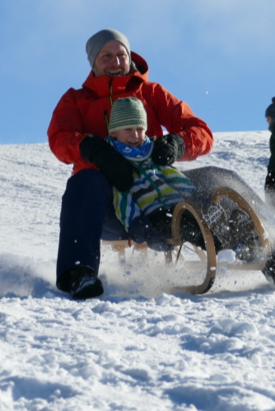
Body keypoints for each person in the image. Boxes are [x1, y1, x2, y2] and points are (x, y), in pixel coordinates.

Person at [47, 29, 214, 300]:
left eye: (120, 55)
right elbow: (59, 137)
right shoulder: (76, 100)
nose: (115, 61)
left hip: (157, 195)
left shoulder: (151, 92)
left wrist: (177, 144)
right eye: (106, 56)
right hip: (108, 207)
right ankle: (79, 274)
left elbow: (200, 130)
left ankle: (272, 251)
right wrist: (93, 149)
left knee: (216, 178)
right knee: (84, 183)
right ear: (94, 62)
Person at [105, 97, 258, 260]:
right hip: (155, 216)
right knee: (190, 228)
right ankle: (226, 250)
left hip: (178, 204)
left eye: (140, 129)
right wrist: (144, 232)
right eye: (128, 129)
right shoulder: (117, 165)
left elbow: (171, 175)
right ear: (114, 132)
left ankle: (239, 235)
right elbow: (123, 201)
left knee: (203, 212)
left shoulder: (150, 152)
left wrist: (193, 195)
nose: (135, 135)